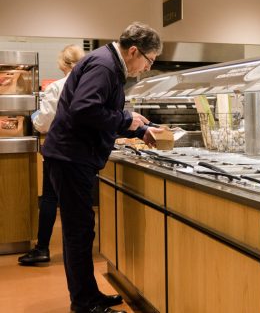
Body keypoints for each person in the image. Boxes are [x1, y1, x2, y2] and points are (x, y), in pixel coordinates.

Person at [41, 22, 164, 313]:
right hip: (72, 158)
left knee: (81, 231)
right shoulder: (106, 67)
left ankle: (90, 296)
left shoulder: (105, 62)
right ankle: (84, 304)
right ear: (134, 51)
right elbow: (85, 109)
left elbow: (97, 113)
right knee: (79, 233)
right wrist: (126, 119)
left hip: (72, 157)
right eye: (149, 61)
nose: (146, 68)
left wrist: (137, 130)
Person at [18, 44, 85, 265]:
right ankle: (76, 251)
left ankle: (42, 249)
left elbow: (44, 123)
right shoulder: (88, 84)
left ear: (63, 64)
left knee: (49, 198)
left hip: (59, 149)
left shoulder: (56, 87)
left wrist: (34, 118)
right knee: (78, 202)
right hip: (82, 152)